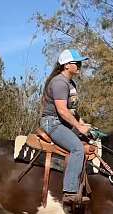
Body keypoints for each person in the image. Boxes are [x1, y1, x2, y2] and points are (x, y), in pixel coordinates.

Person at [40, 49, 92, 206]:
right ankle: (69, 192)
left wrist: (82, 123)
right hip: (53, 123)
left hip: (64, 122)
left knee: (92, 141)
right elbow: (62, 110)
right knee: (77, 148)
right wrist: (78, 126)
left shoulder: (71, 83)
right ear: (67, 65)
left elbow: (72, 111)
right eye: (77, 63)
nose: (80, 66)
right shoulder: (59, 83)